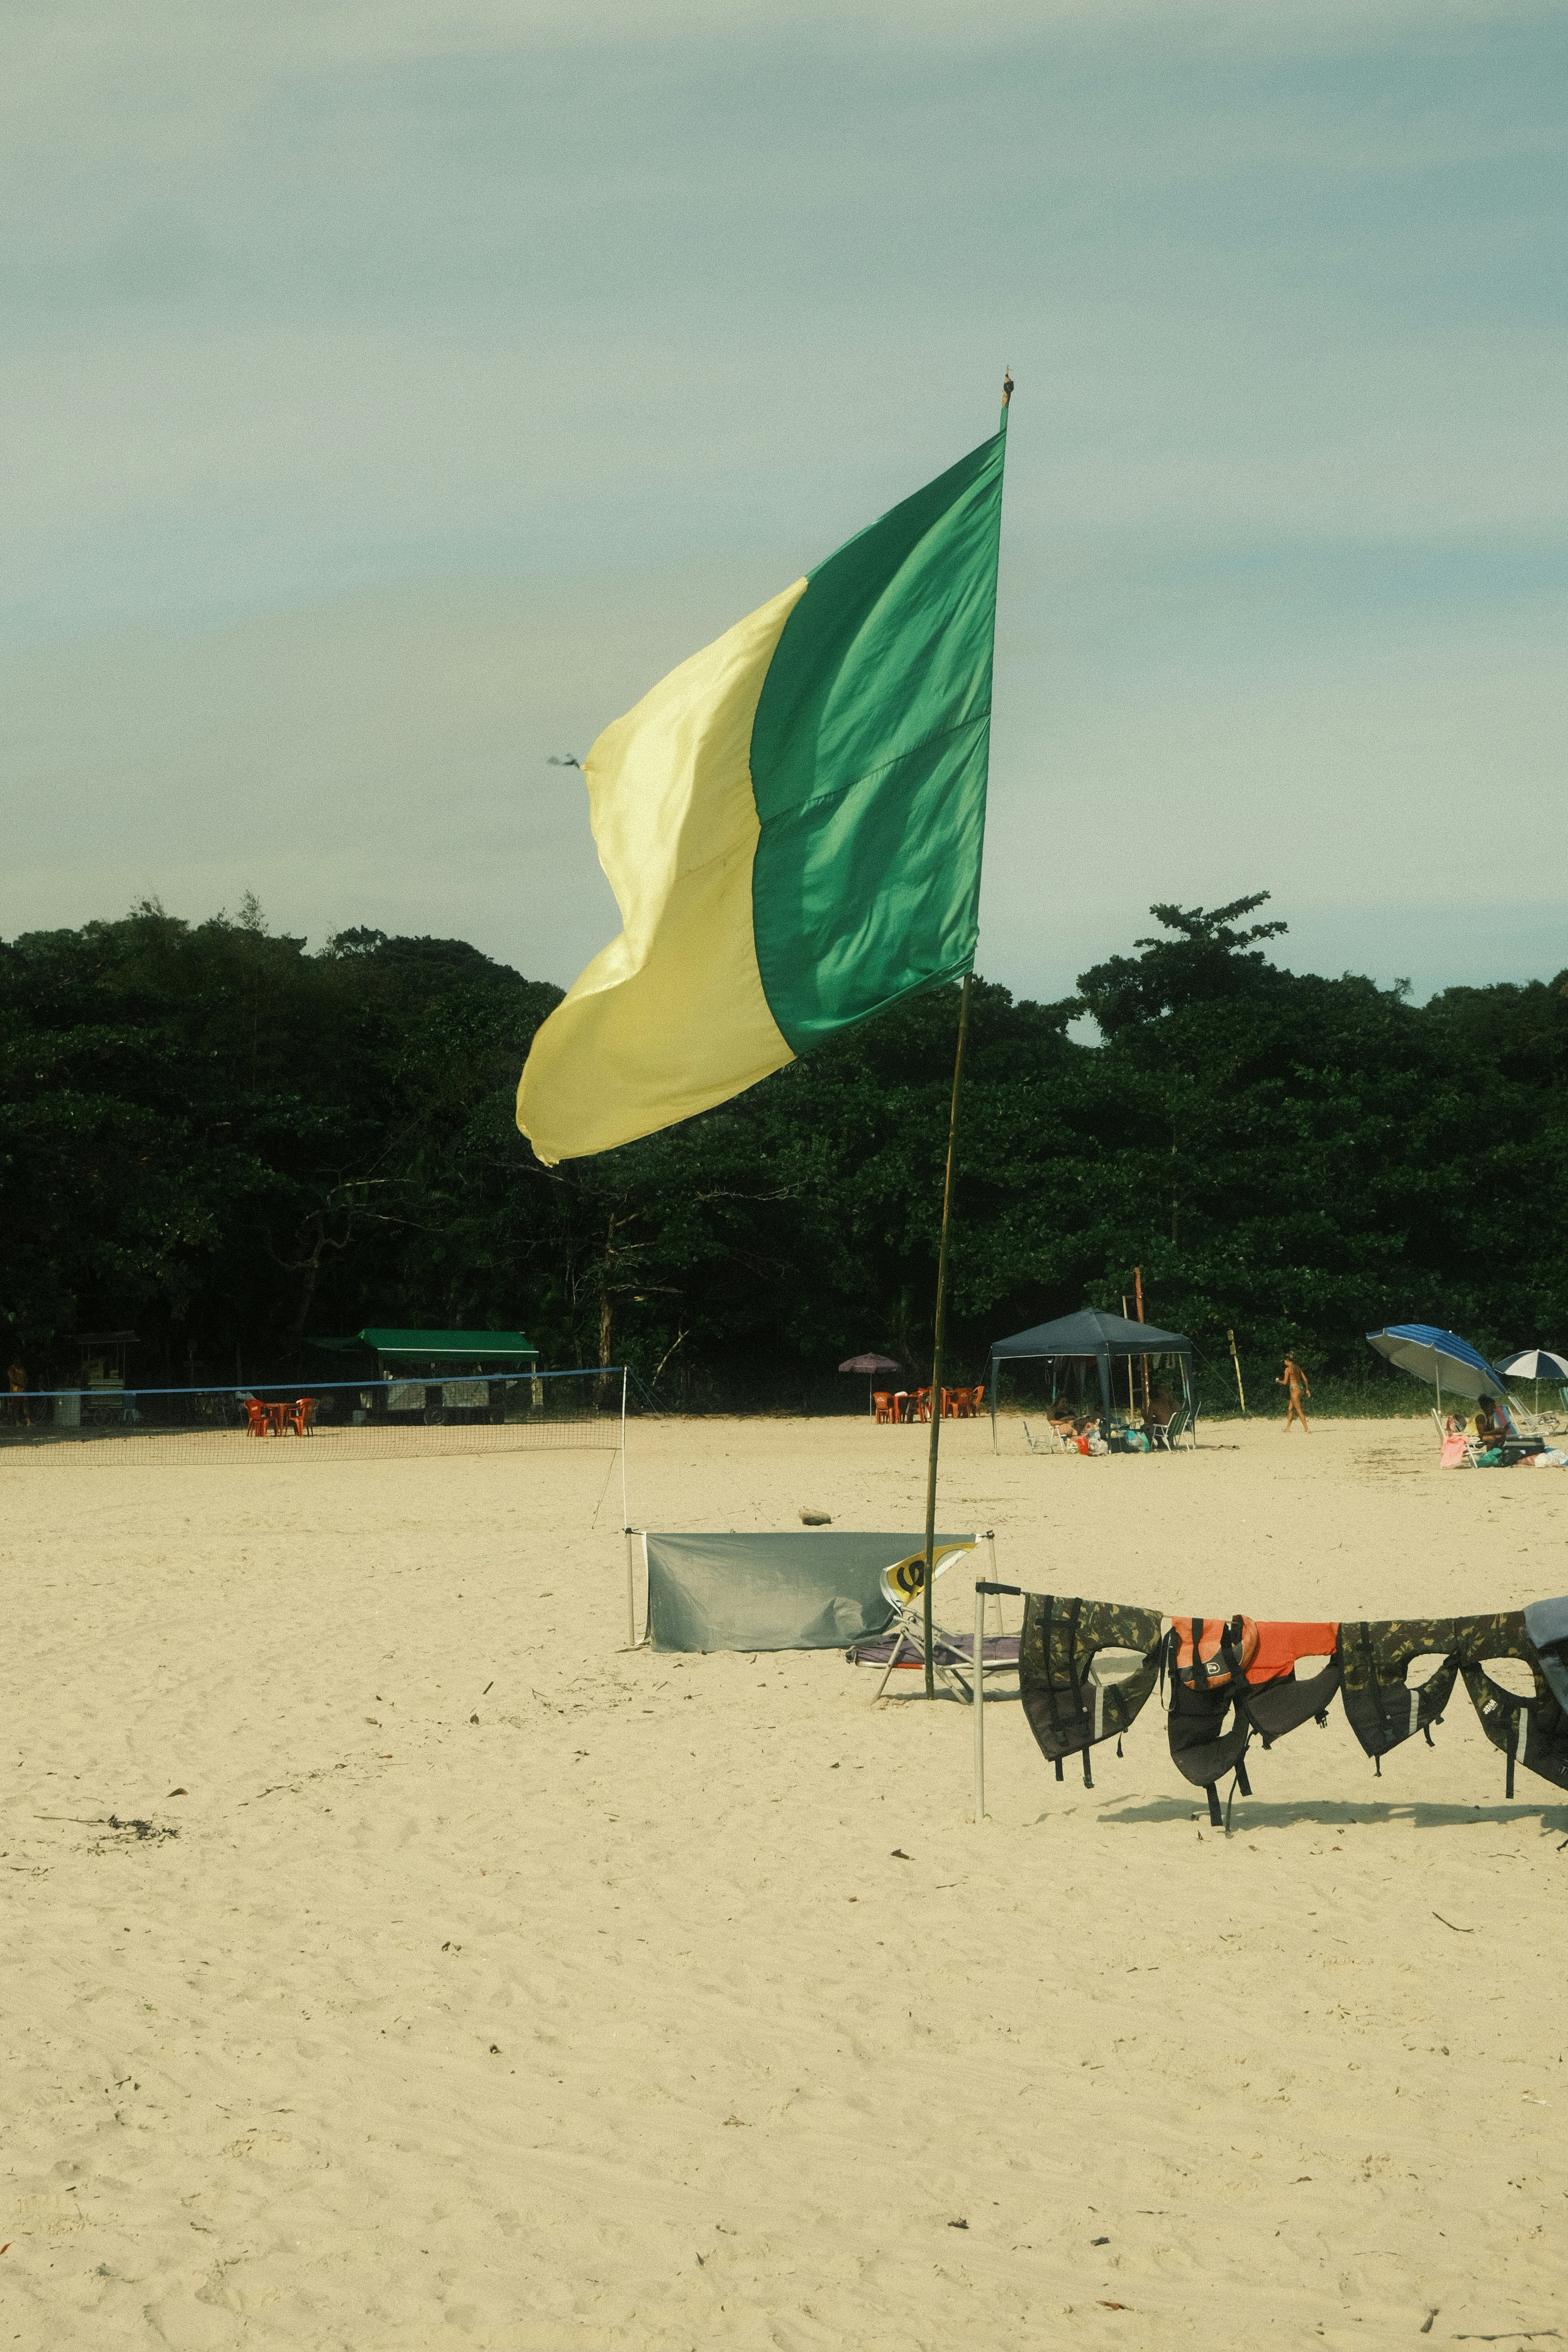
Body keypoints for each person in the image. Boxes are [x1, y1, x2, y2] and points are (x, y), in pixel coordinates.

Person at [1276, 1352, 1311, 1432]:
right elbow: (1305, 1379)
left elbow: (1285, 1382)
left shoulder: (1288, 1369)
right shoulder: (1298, 1368)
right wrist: (1307, 1390)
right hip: (1300, 1388)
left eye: (1285, 1361)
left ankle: (1307, 1429)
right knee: (1291, 1409)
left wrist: (1278, 1381)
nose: (1284, 1363)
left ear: (1288, 1360)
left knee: (1299, 1410)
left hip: (1294, 1390)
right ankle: (1288, 1428)